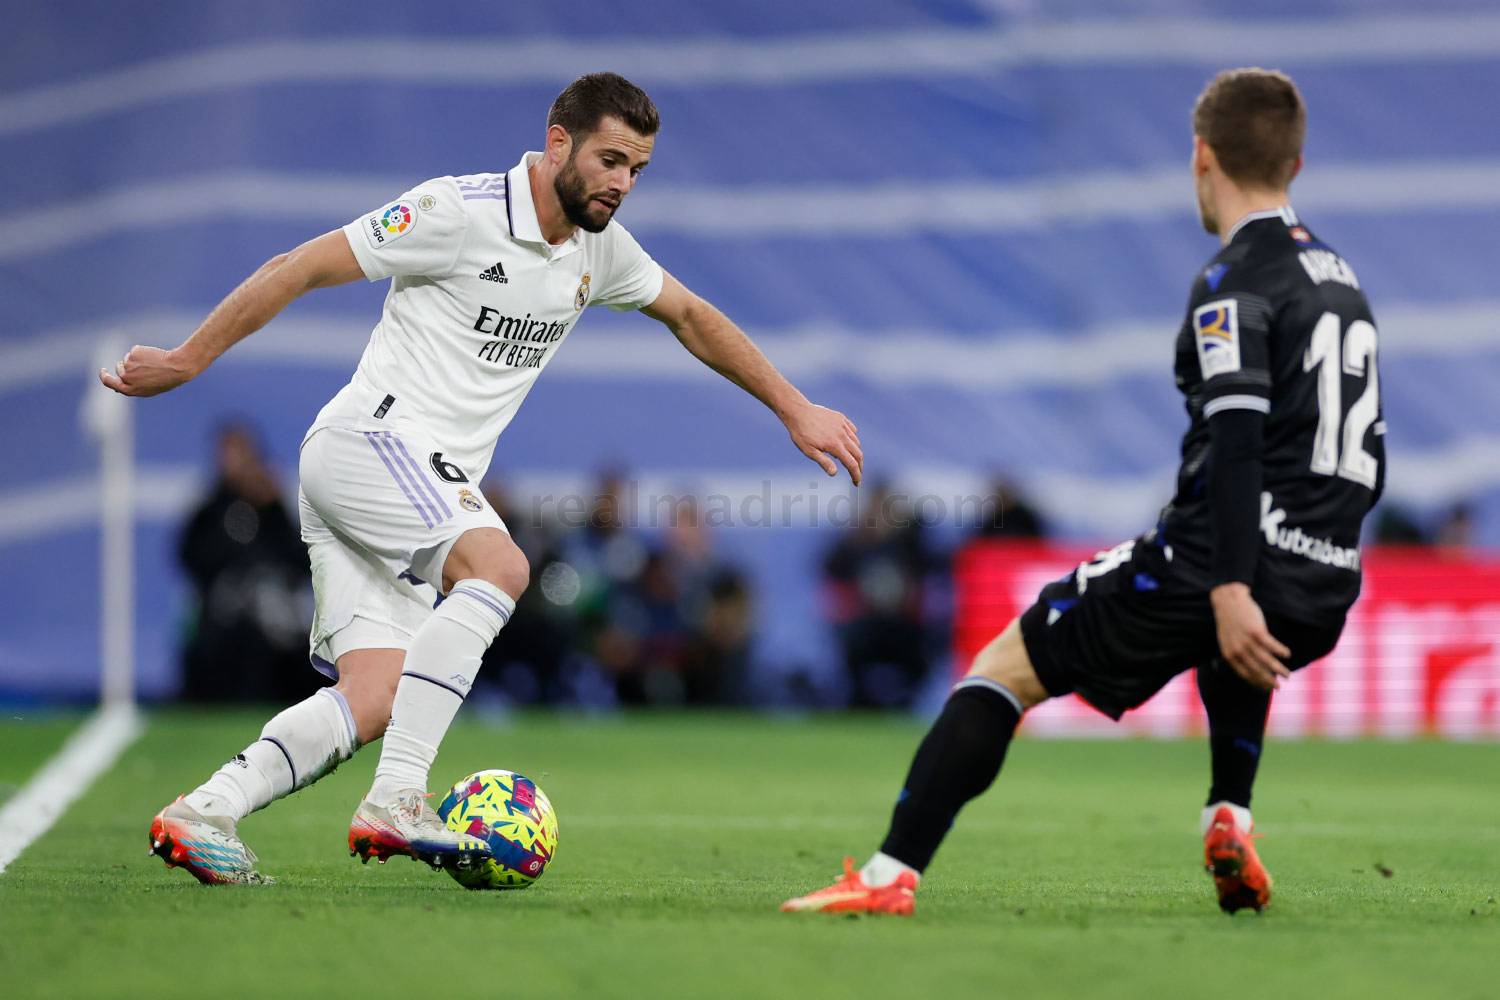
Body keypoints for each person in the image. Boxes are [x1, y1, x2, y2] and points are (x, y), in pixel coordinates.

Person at [101, 72, 863, 885]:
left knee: (375, 697)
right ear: (558, 140)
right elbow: (299, 266)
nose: (621, 184)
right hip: (371, 440)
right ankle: (397, 798)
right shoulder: (453, 212)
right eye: (610, 160)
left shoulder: (600, 250)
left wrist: (793, 406)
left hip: (401, 482)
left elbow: (691, 316)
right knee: (500, 566)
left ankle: (206, 809)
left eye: (637, 170)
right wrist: (187, 359)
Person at [783, 68, 1384, 917]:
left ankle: (887, 878)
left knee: (1001, 670)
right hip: (1328, 576)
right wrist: (1304, 568)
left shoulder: (1234, 282)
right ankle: (1229, 815)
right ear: (1297, 163)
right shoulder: (1342, 282)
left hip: (1221, 561)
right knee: (1229, 649)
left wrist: (1233, 585)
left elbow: (1240, 447)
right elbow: (1368, 452)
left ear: (1201, 156)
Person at [177, 422, 316, 704]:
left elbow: (301, 563)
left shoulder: (272, 507)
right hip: (223, 622)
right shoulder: (210, 509)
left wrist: (273, 509)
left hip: (275, 622)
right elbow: (192, 559)